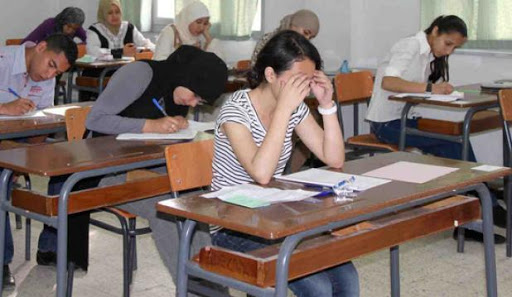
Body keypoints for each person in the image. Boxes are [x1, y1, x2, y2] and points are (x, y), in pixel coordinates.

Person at [211, 30, 359, 297]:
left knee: (347, 277)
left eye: (308, 80)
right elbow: (262, 174)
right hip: (230, 224)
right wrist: (283, 111)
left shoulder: (295, 108)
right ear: (270, 75)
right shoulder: (235, 111)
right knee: (318, 287)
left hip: (272, 217)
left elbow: (334, 158)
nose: (302, 90)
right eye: (296, 81)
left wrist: (327, 105)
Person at [85, 45, 227, 283]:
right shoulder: (140, 74)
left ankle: (211, 283)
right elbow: (95, 119)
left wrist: (176, 124)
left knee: (196, 198)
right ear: (186, 76)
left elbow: (160, 126)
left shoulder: (179, 89)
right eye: (194, 96)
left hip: (145, 167)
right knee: (165, 210)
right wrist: (147, 126)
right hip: (102, 170)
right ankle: (193, 288)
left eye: (199, 101)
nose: (192, 104)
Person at [365, 15, 506, 242]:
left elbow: (413, 90)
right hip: (386, 124)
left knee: (457, 137)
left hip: (406, 119)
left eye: (454, 47)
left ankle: (476, 208)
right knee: (451, 144)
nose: (449, 51)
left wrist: (435, 90)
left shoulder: (428, 53)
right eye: (448, 43)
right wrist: (430, 87)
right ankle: (482, 206)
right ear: (435, 31)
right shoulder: (409, 45)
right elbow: (388, 82)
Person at [0, 34, 77, 288]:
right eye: (50, 65)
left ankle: (49, 248)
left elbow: (42, 121)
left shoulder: (47, 78)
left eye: (57, 73)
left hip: (18, 141)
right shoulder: (3, 60)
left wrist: (37, 149)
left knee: (66, 169)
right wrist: (4, 108)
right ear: (41, 48)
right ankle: (2, 262)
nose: (48, 76)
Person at [153, 1, 223, 61]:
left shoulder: (202, 37)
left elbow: (218, 62)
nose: (201, 27)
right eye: (198, 22)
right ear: (188, 19)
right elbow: (159, 62)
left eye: (205, 23)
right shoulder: (170, 33)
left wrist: (208, 38)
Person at [86, 0, 155, 58]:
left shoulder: (128, 27)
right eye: (110, 13)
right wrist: (121, 52)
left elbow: (144, 43)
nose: (114, 16)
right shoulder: (94, 30)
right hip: (100, 71)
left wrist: (151, 49)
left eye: (117, 12)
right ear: (103, 14)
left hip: (124, 69)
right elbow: (92, 52)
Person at [250, 9, 319, 65]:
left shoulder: (304, 48)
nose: (306, 39)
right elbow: (255, 69)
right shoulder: (268, 40)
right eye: (306, 32)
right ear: (293, 25)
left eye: (311, 37)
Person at [22, 7, 87, 44]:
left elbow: (90, 41)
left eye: (74, 29)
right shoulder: (49, 24)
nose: (70, 31)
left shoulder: (77, 27)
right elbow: (26, 43)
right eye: (68, 26)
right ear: (62, 21)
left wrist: (76, 47)